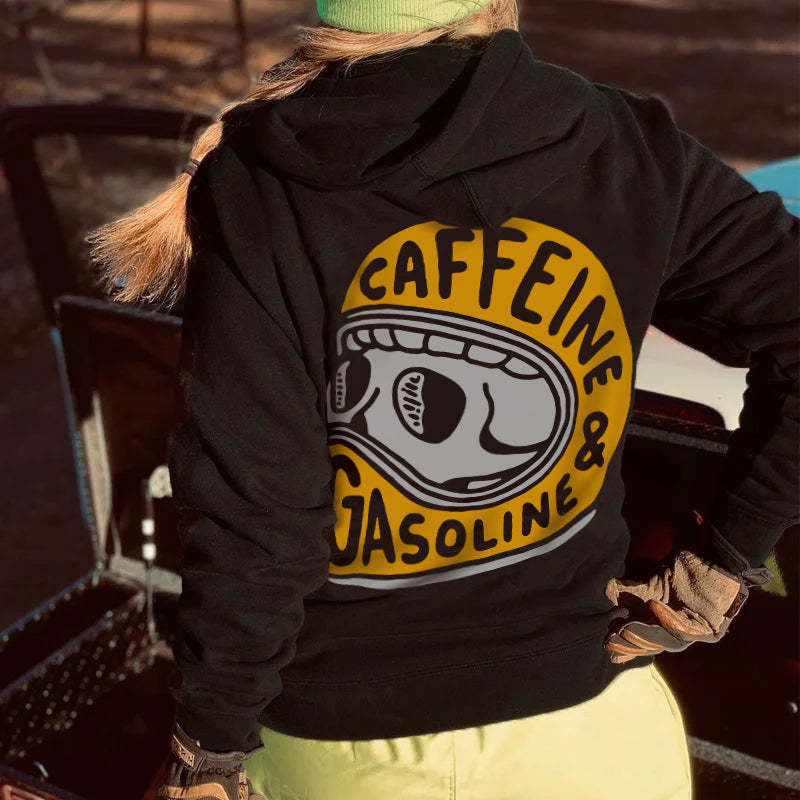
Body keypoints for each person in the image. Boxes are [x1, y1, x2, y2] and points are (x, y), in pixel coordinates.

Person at [87, 1, 799, 798]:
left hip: (342, 759)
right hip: (596, 747)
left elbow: (260, 510)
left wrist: (207, 752)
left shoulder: (260, 183)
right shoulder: (625, 146)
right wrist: (727, 559)